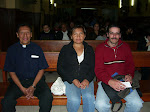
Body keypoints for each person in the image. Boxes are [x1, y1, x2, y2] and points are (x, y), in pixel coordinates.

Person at [1, 23, 53, 112]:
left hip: (36, 81)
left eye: (28, 33)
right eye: (22, 33)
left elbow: (41, 69)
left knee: (47, 97)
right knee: (6, 101)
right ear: (17, 35)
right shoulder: (11, 50)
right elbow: (11, 72)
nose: (25, 35)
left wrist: (33, 86)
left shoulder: (37, 48)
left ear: (31, 34)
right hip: (18, 82)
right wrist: (22, 88)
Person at [95, 24, 143, 112]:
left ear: (120, 35)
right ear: (107, 34)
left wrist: (129, 74)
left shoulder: (125, 47)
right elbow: (98, 70)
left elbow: (130, 65)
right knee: (100, 105)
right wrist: (110, 81)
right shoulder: (100, 48)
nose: (114, 36)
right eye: (112, 33)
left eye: (117, 33)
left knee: (137, 103)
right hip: (105, 80)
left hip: (123, 80)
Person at [57, 25, 95, 112]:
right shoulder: (65, 49)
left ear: (84, 35)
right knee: (74, 99)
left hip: (86, 79)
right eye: (75, 34)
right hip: (70, 79)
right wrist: (72, 79)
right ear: (71, 36)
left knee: (89, 97)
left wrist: (87, 79)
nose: (78, 36)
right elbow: (60, 68)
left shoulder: (89, 49)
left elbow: (93, 67)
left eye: (81, 33)